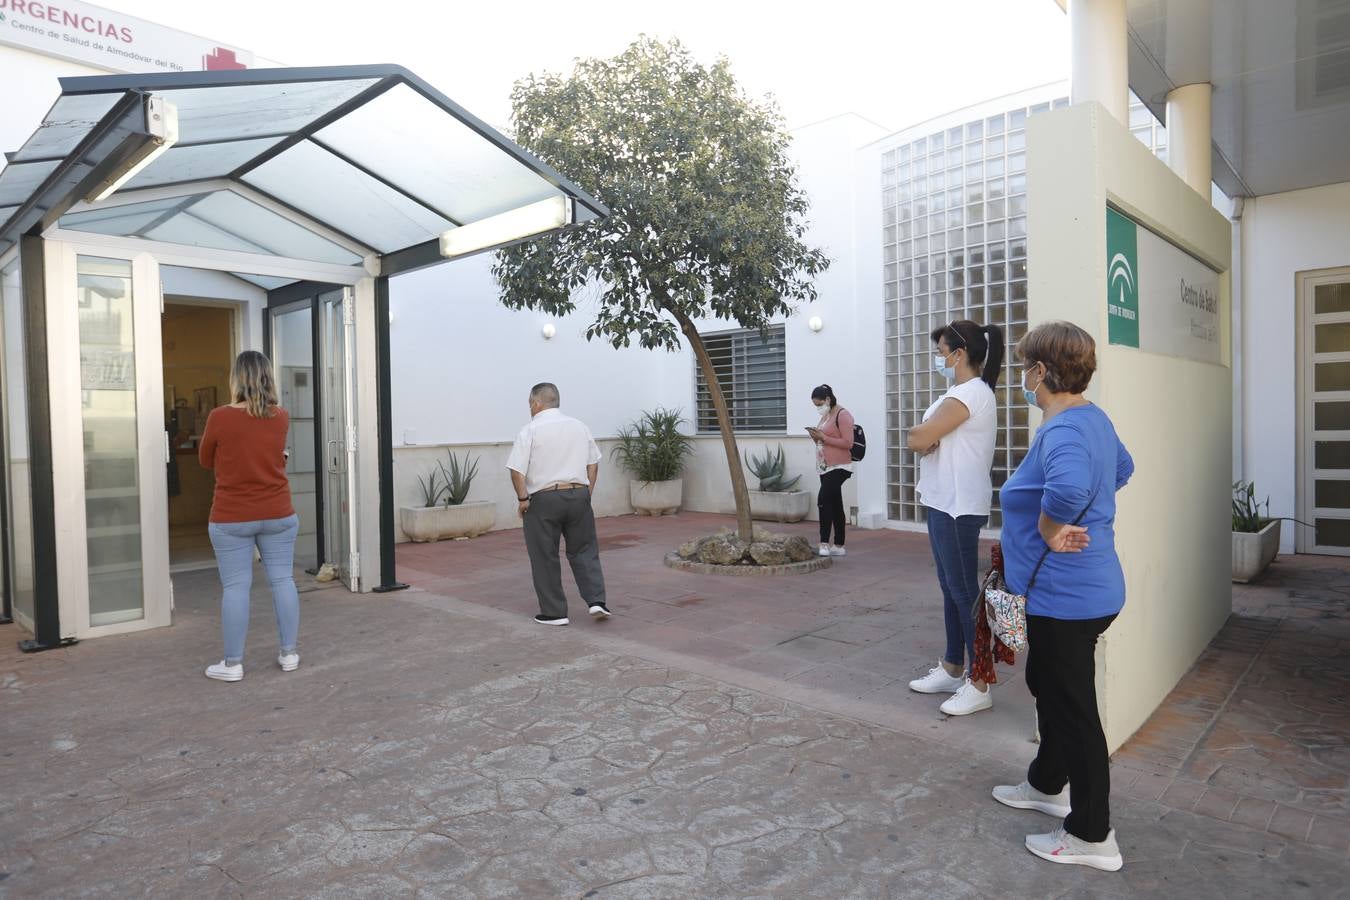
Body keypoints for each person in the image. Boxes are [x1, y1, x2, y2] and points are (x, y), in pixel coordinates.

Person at [990, 321, 1134, 872]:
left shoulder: (1064, 430)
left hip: (1067, 595)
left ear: (1042, 372)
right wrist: (1083, 511)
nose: (1023, 376)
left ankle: (1092, 836)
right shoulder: (1088, 419)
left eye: (1027, 366)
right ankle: (1048, 783)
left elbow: (1072, 486)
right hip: (1084, 590)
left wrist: (1052, 527)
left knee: (1073, 711)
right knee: (1046, 687)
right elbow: (1122, 468)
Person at [906, 319, 1004, 717]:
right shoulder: (961, 393)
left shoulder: (970, 393)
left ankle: (979, 683)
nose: (938, 358)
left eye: (941, 351)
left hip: (958, 506)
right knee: (950, 587)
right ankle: (952, 666)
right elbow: (924, 438)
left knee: (963, 591)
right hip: (943, 500)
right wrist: (927, 438)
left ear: (959, 355)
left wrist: (925, 438)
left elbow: (917, 438)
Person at [198, 351, 301, 682]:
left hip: (232, 517)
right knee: (283, 581)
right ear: (267, 377)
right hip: (278, 512)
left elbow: (205, 460)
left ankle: (232, 664)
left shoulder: (219, 417)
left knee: (236, 587)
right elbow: (271, 459)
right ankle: (289, 654)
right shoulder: (281, 416)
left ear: (236, 379)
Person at [506, 382, 610, 625]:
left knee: (545, 555)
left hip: (544, 499)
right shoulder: (579, 426)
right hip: (579, 495)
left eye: (530, 404)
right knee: (585, 550)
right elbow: (593, 463)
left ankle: (554, 613)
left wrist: (522, 499)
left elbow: (516, 471)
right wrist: (587, 492)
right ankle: (597, 601)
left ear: (536, 403)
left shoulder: (530, 430)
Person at [805, 385, 855, 557]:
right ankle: (839, 545)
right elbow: (824, 440)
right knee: (835, 503)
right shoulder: (826, 416)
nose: (818, 408)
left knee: (823, 500)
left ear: (827, 399)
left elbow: (848, 443)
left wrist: (823, 437)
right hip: (825, 466)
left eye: (819, 404)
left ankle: (824, 543)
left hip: (839, 466)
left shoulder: (843, 415)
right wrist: (816, 437)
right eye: (815, 405)